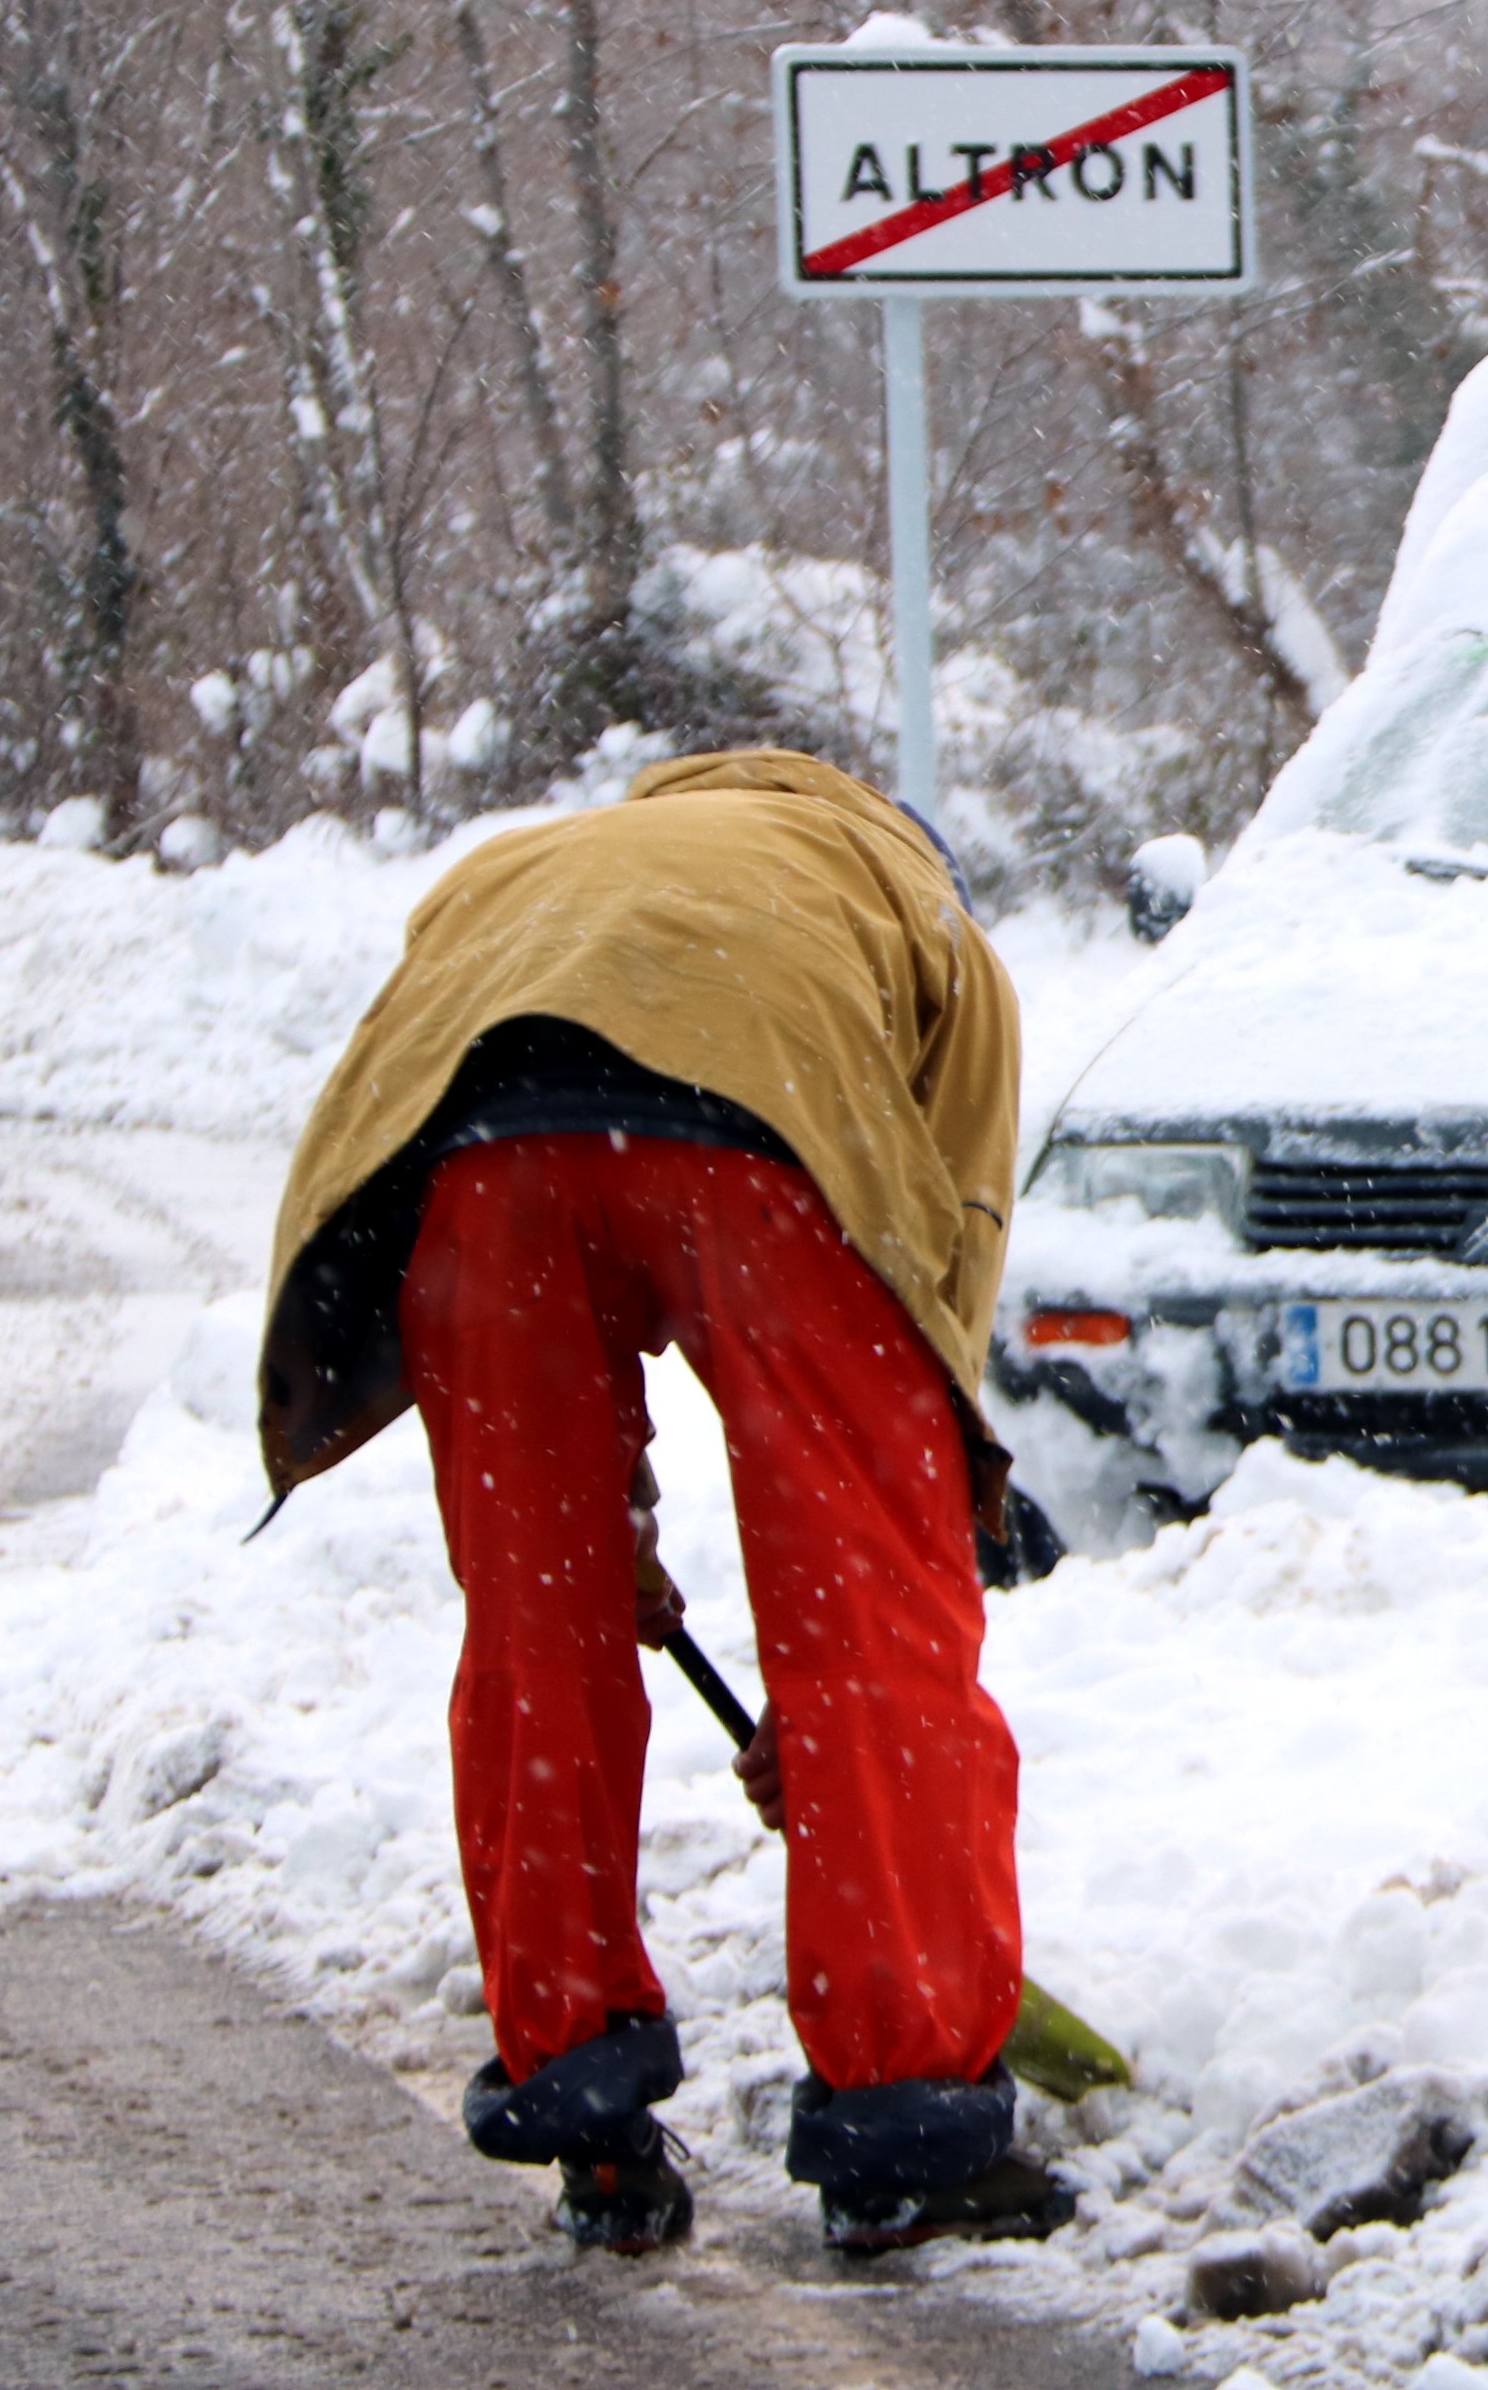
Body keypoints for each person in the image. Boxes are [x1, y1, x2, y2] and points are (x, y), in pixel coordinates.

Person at [256, 749, 1058, 2256]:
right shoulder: (916, 906)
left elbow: (498, 1123)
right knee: (877, 1631)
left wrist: (597, 1531)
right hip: (768, 1145)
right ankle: (906, 2129)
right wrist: (844, 1702)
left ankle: (584, 2098)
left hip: (480, 1161)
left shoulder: (555, 870)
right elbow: (946, 1246)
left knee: (533, 1627)